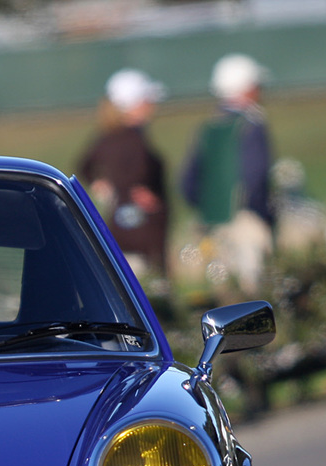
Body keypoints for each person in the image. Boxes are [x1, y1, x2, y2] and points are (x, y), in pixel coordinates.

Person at [180, 53, 274, 292]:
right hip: (246, 221)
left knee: (221, 291)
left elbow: (187, 184)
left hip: (211, 224)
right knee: (252, 293)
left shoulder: (209, 127)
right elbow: (256, 177)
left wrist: (209, 208)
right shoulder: (252, 125)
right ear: (247, 87)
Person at [76, 68, 170, 283]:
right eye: (147, 99)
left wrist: (105, 186)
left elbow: (85, 166)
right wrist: (129, 191)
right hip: (141, 230)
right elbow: (138, 175)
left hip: (123, 224)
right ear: (134, 104)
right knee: (148, 284)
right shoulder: (132, 140)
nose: (152, 105)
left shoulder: (110, 137)